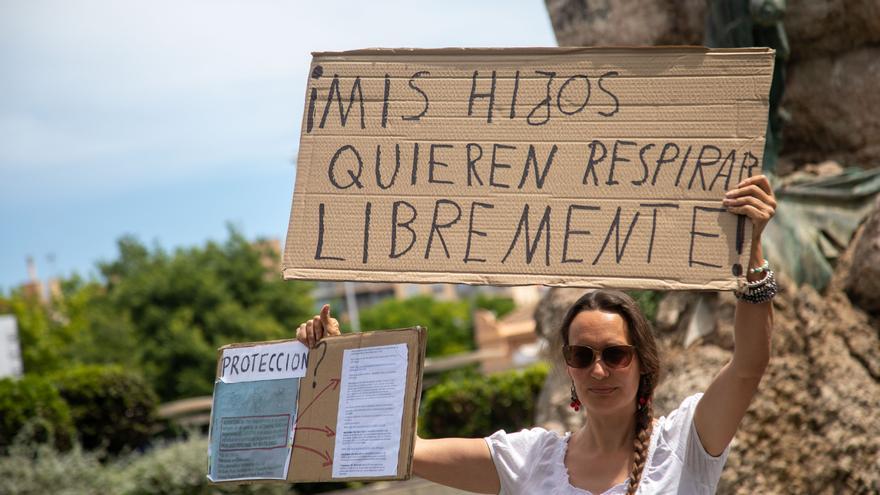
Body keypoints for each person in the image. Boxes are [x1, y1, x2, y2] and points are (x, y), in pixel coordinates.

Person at [297, 175, 777, 494]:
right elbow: (404, 448)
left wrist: (752, 250)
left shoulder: (687, 441)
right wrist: (337, 358)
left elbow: (749, 364)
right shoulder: (531, 460)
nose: (598, 368)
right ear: (567, 368)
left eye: (615, 353)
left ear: (644, 364)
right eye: (581, 354)